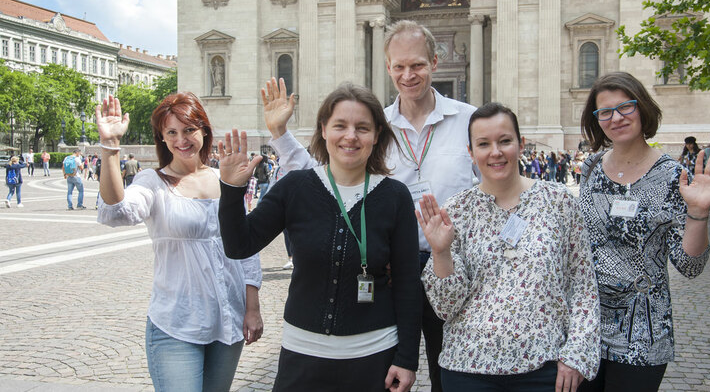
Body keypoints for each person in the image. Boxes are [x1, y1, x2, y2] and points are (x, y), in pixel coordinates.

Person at [264, 20, 478, 391]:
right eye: (399, 66)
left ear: (435, 62)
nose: (408, 75)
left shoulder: (469, 120)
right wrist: (280, 135)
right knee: (389, 370)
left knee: (453, 377)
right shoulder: (370, 126)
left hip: (453, 267)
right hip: (388, 272)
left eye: (417, 65)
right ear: (388, 67)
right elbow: (323, 177)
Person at [219, 82, 421, 391]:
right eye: (340, 126)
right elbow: (239, 245)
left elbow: (407, 283)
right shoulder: (295, 187)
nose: (350, 136)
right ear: (324, 130)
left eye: (362, 128)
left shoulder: (395, 196)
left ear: (377, 134)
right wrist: (232, 191)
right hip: (302, 356)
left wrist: (407, 358)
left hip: (374, 357)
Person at [418, 103, 600, 392]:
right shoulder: (456, 210)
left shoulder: (559, 202)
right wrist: (441, 252)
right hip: (468, 368)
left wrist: (577, 354)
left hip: (545, 367)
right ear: (471, 152)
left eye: (504, 141)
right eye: (483, 144)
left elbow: (583, 287)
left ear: (521, 144)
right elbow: (445, 307)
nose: (495, 152)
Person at [95, 93, 264, 391]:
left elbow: (246, 250)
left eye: (188, 130)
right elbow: (116, 211)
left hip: (228, 319)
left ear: (204, 131)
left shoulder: (225, 178)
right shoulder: (153, 182)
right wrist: (110, 147)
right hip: (176, 323)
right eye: (171, 132)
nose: (181, 140)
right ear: (162, 138)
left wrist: (252, 308)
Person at [577, 72, 710, 392]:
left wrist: (698, 213)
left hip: (642, 333)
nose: (616, 118)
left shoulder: (673, 176)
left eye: (625, 107)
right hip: (586, 328)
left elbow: (689, 266)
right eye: (605, 111)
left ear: (642, 108)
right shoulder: (591, 168)